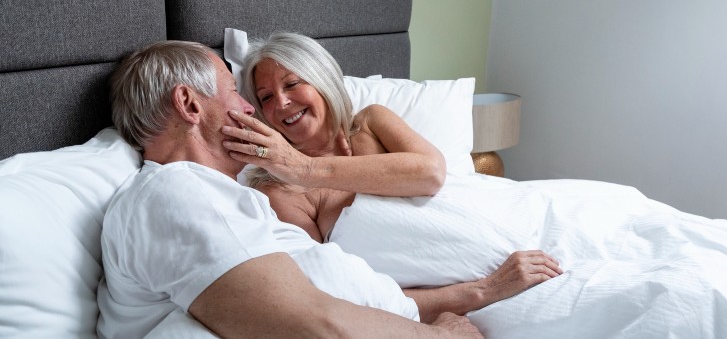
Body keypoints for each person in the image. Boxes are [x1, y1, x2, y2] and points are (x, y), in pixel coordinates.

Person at [98, 40, 483, 338]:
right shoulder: (177, 193)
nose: (251, 110)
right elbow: (313, 327)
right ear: (189, 104)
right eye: (235, 92)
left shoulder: (223, 196)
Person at [219, 32, 564, 322]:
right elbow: (333, 294)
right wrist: (484, 290)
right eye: (265, 98)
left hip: (535, 240)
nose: (281, 103)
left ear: (322, 80)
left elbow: (430, 174)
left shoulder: (371, 123)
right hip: (471, 298)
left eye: (292, 83)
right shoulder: (280, 192)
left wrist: (304, 167)